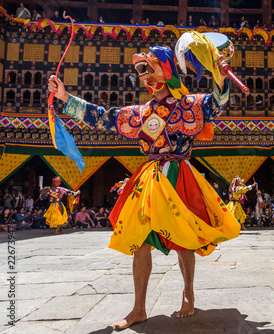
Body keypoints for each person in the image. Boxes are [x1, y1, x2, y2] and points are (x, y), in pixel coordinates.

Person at [48, 45, 240, 329]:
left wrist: (220, 78)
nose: (144, 77)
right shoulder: (139, 112)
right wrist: (64, 96)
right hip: (149, 177)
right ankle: (138, 308)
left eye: (149, 68)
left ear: (168, 71)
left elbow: (216, 104)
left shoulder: (189, 105)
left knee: (183, 239)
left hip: (179, 174)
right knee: (139, 239)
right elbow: (103, 116)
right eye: (141, 71)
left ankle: (188, 294)